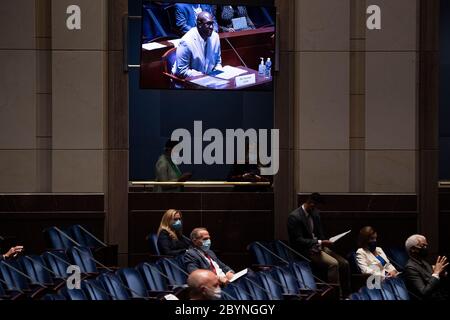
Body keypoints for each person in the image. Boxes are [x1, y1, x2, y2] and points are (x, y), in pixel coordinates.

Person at [287, 193, 351, 297]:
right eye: (317, 207)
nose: (317, 210)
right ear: (311, 204)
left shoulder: (315, 214)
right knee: (334, 264)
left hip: (318, 247)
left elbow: (319, 233)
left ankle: (347, 295)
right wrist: (320, 242)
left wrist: (326, 242)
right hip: (305, 250)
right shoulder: (294, 217)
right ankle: (335, 296)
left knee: (344, 263)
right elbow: (298, 241)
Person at [172, 11, 222, 79]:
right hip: (187, 83)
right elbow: (181, 71)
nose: (212, 27)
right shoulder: (186, 41)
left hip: (209, 80)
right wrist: (203, 77)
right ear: (199, 24)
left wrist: (218, 75)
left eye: (212, 24)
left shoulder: (215, 37)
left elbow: (218, 62)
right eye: (208, 24)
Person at [404, 234, 449, 300]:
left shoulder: (423, 261)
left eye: (426, 245)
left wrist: (441, 273)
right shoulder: (410, 268)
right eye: (423, 246)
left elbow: (432, 278)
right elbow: (424, 292)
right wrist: (436, 273)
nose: (426, 248)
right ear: (413, 249)